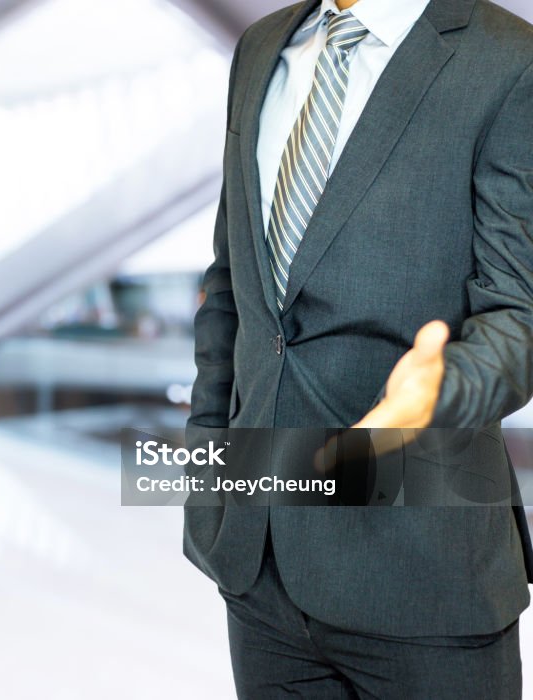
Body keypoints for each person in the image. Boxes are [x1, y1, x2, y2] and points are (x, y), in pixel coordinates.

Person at [185, 0, 533, 697]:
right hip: (259, 566)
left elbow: (518, 311)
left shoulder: (508, 58)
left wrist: (441, 391)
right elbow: (232, 293)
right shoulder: (260, 47)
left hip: (422, 567)